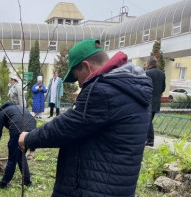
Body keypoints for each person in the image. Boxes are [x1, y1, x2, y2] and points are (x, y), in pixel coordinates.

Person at [19, 39, 153, 197]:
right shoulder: (131, 87)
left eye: (77, 77)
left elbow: (65, 127)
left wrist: (28, 138)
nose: (80, 85)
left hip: (95, 188)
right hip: (115, 186)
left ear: (87, 66)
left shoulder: (102, 91)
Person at [0, 101, 35, 189]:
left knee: (12, 159)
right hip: (32, 129)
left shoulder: (3, 112)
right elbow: (33, 127)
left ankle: (3, 184)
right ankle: (27, 181)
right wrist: (32, 150)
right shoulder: (21, 108)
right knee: (21, 155)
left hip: (17, 131)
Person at [145, 56, 166, 147]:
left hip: (148, 100)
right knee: (149, 120)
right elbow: (163, 87)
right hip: (157, 101)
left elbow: (144, 87)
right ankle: (147, 138)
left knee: (147, 121)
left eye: (146, 63)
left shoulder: (147, 73)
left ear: (149, 64)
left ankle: (150, 140)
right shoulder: (162, 74)